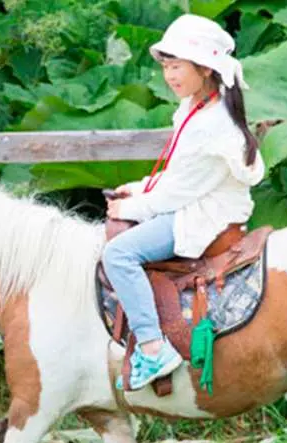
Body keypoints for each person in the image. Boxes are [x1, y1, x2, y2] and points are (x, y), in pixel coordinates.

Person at [102, 14, 265, 392]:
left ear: (205, 68)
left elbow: (180, 193)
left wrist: (130, 208)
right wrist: (140, 186)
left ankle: (153, 346)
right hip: (194, 201)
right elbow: (179, 174)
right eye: (166, 67)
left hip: (201, 216)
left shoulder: (211, 124)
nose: (169, 75)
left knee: (118, 255)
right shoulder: (198, 106)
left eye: (177, 66)